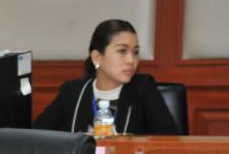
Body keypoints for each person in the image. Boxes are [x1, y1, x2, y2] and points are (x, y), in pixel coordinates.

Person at [33, 19, 178, 135]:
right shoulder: (72, 92)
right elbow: (35, 136)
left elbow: (170, 140)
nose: (131, 60)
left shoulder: (143, 88)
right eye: (122, 51)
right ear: (97, 57)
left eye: (135, 52)